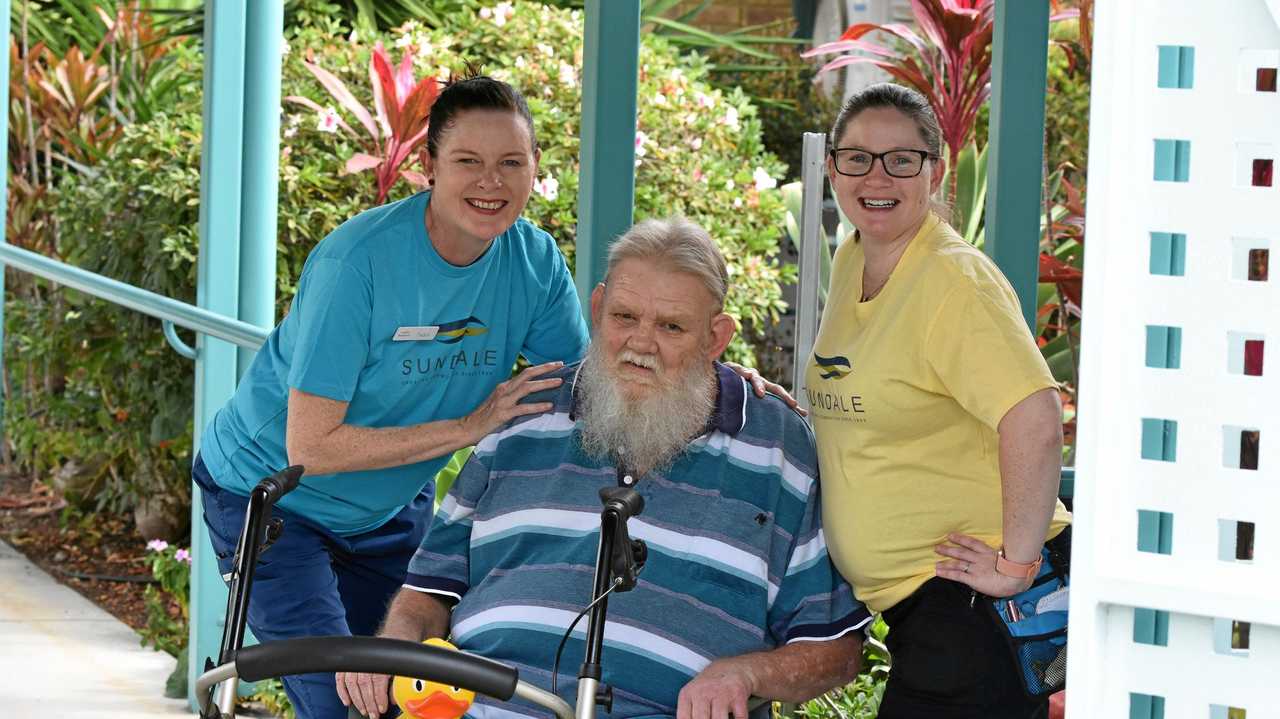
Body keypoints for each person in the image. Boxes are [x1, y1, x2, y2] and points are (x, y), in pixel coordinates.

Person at [336, 217, 872, 719]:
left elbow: (835, 649)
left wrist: (745, 672)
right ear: (598, 307)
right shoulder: (523, 413)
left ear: (716, 338)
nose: (641, 344)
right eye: (624, 317)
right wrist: (394, 645)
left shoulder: (780, 449)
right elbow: (429, 593)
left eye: (672, 327)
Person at [803, 83, 1072, 719]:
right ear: (833, 167)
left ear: (935, 169)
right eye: (857, 157)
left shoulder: (953, 280)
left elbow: (1034, 418)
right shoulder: (855, 257)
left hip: (976, 606)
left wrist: (1017, 564)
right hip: (923, 611)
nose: (877, 176)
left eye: (901, 159)